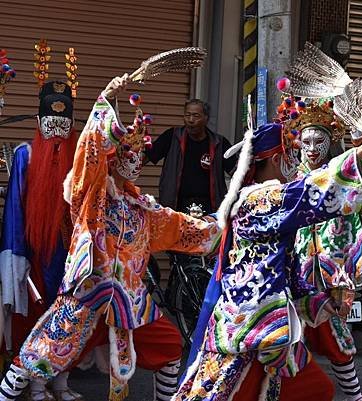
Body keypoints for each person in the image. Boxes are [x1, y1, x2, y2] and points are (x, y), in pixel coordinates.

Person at [0, 75, 222, 401]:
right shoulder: (90, 195)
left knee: (170, 345)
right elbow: (89, 152)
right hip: (88, 294)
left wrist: (226, 220)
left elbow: (180, 227)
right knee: (40, 352)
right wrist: (105, 98)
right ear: (114, 157)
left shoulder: (142, 208)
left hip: (129, 301)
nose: (134, 161)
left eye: (138, 156)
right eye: (127, 154)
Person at [172, 111, 362, 401]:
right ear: (276, 160)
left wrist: (318, 300)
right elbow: (313, 191)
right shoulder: (260, 200)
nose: (296, 160)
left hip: (271, 322)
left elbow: (283, 268)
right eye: (291, 154)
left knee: (316, 389)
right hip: (250, 327)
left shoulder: (258, 199)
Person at [0, 81, 81, 401]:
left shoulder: (82, 156)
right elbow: (15, 211)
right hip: (36, 250)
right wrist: (15, 256)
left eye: (64, 125)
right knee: (38, 316)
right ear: (39, 122)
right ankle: (35, 384)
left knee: (72, 316)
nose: (57, 132)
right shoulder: (25, 155)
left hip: (74, 250)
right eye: (51, 124)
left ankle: (61, 382)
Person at [292, 98, 362, 401]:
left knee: (336, 337)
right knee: (287, 338)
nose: (312, 148)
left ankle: (353, 396)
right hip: (292, 272)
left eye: (319, 141)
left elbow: (351, 221)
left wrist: (347, 275)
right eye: (306, 141)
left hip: (331, 271)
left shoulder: (340, 177)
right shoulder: (288, 176)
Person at [144, 99, 237, 213]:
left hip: (210, 208)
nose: (191, 120)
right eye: (187, 115)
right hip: (176, 206)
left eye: (196, 116)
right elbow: (148, 156)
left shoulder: (219, 143)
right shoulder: (172, 136)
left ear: (206, 118)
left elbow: (237, 171)